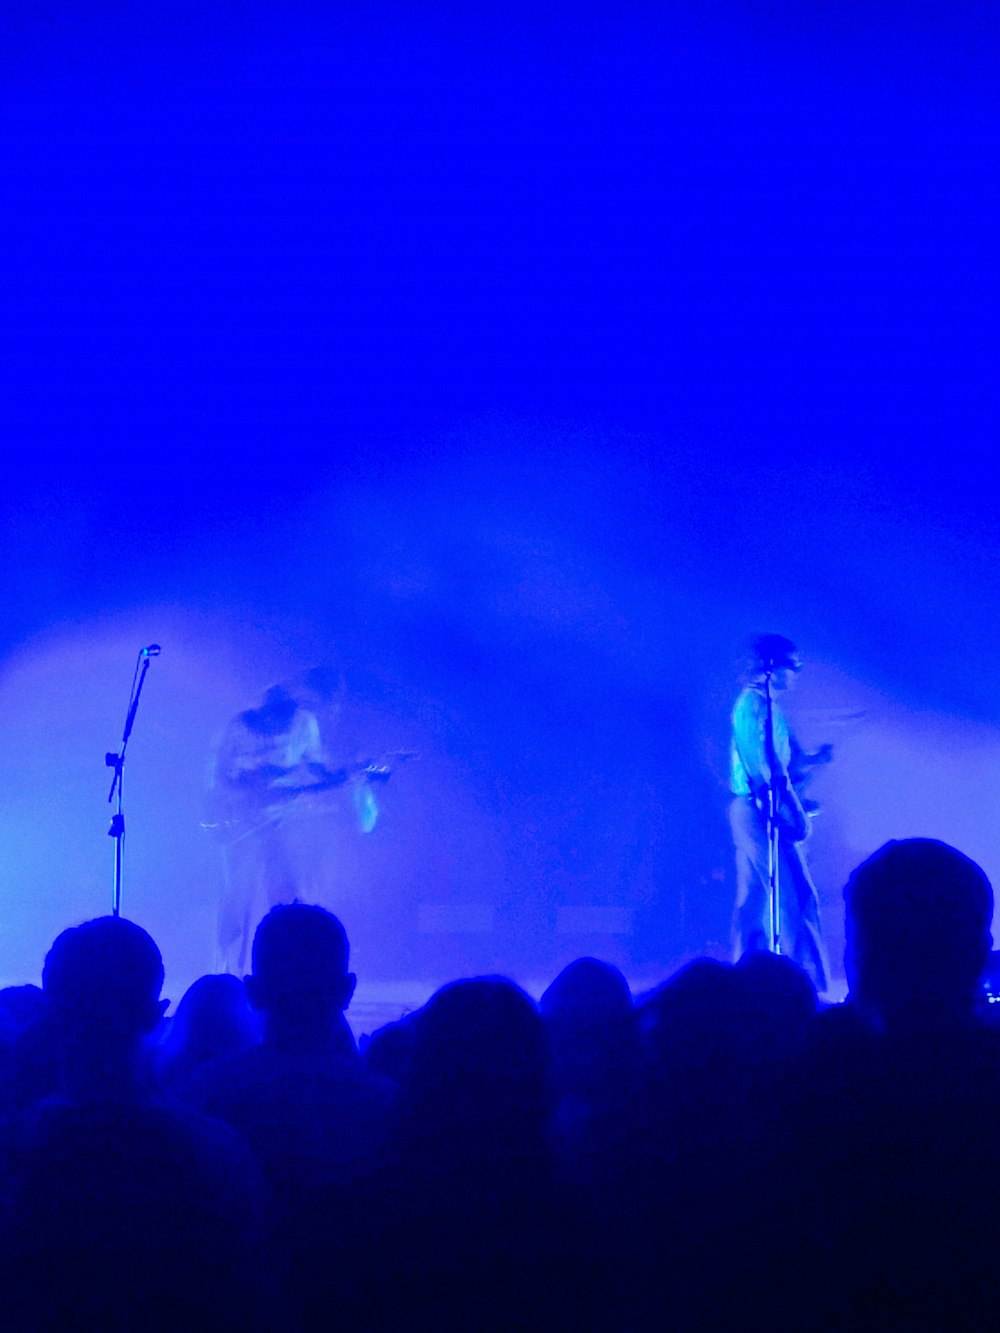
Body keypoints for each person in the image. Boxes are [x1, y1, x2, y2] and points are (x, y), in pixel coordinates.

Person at [208, 668, 380, 974]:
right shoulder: (240, 726)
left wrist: (349, 774)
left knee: (285, 898)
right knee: (237, 900)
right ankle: (226, 975)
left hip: (283, 825)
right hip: (242, 825)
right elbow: (220, 774)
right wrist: (243, 793)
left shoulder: (303, 723)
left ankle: (284, 973)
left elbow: (315, 768)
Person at [728, 633, 831, 992]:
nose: (798, 672)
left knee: (753, 902)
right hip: (758, 812)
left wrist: (817, 760)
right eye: (793, 664)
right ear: (771, 666)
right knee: (794, 896)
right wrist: (796, 815)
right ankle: (805, 984)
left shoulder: (769, 709)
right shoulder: (754, 706)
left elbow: (788, 765)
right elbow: (766, 770)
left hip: (755, 810)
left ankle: (745, 981)